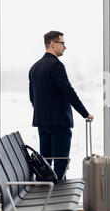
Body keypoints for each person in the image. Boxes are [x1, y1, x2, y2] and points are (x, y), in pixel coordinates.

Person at [29, 30, 93, 182]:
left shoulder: (35, 67)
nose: (65, 47)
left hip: (42, 123)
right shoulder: (56, 65)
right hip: (59, 123)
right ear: (52, 44)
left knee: (44, 164)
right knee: (61, 164)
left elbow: (33, 98)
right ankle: (58, 200)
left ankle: (45, 198)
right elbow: (68, 92)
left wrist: (43, 113)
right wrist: (85, 113)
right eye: (62, 43)